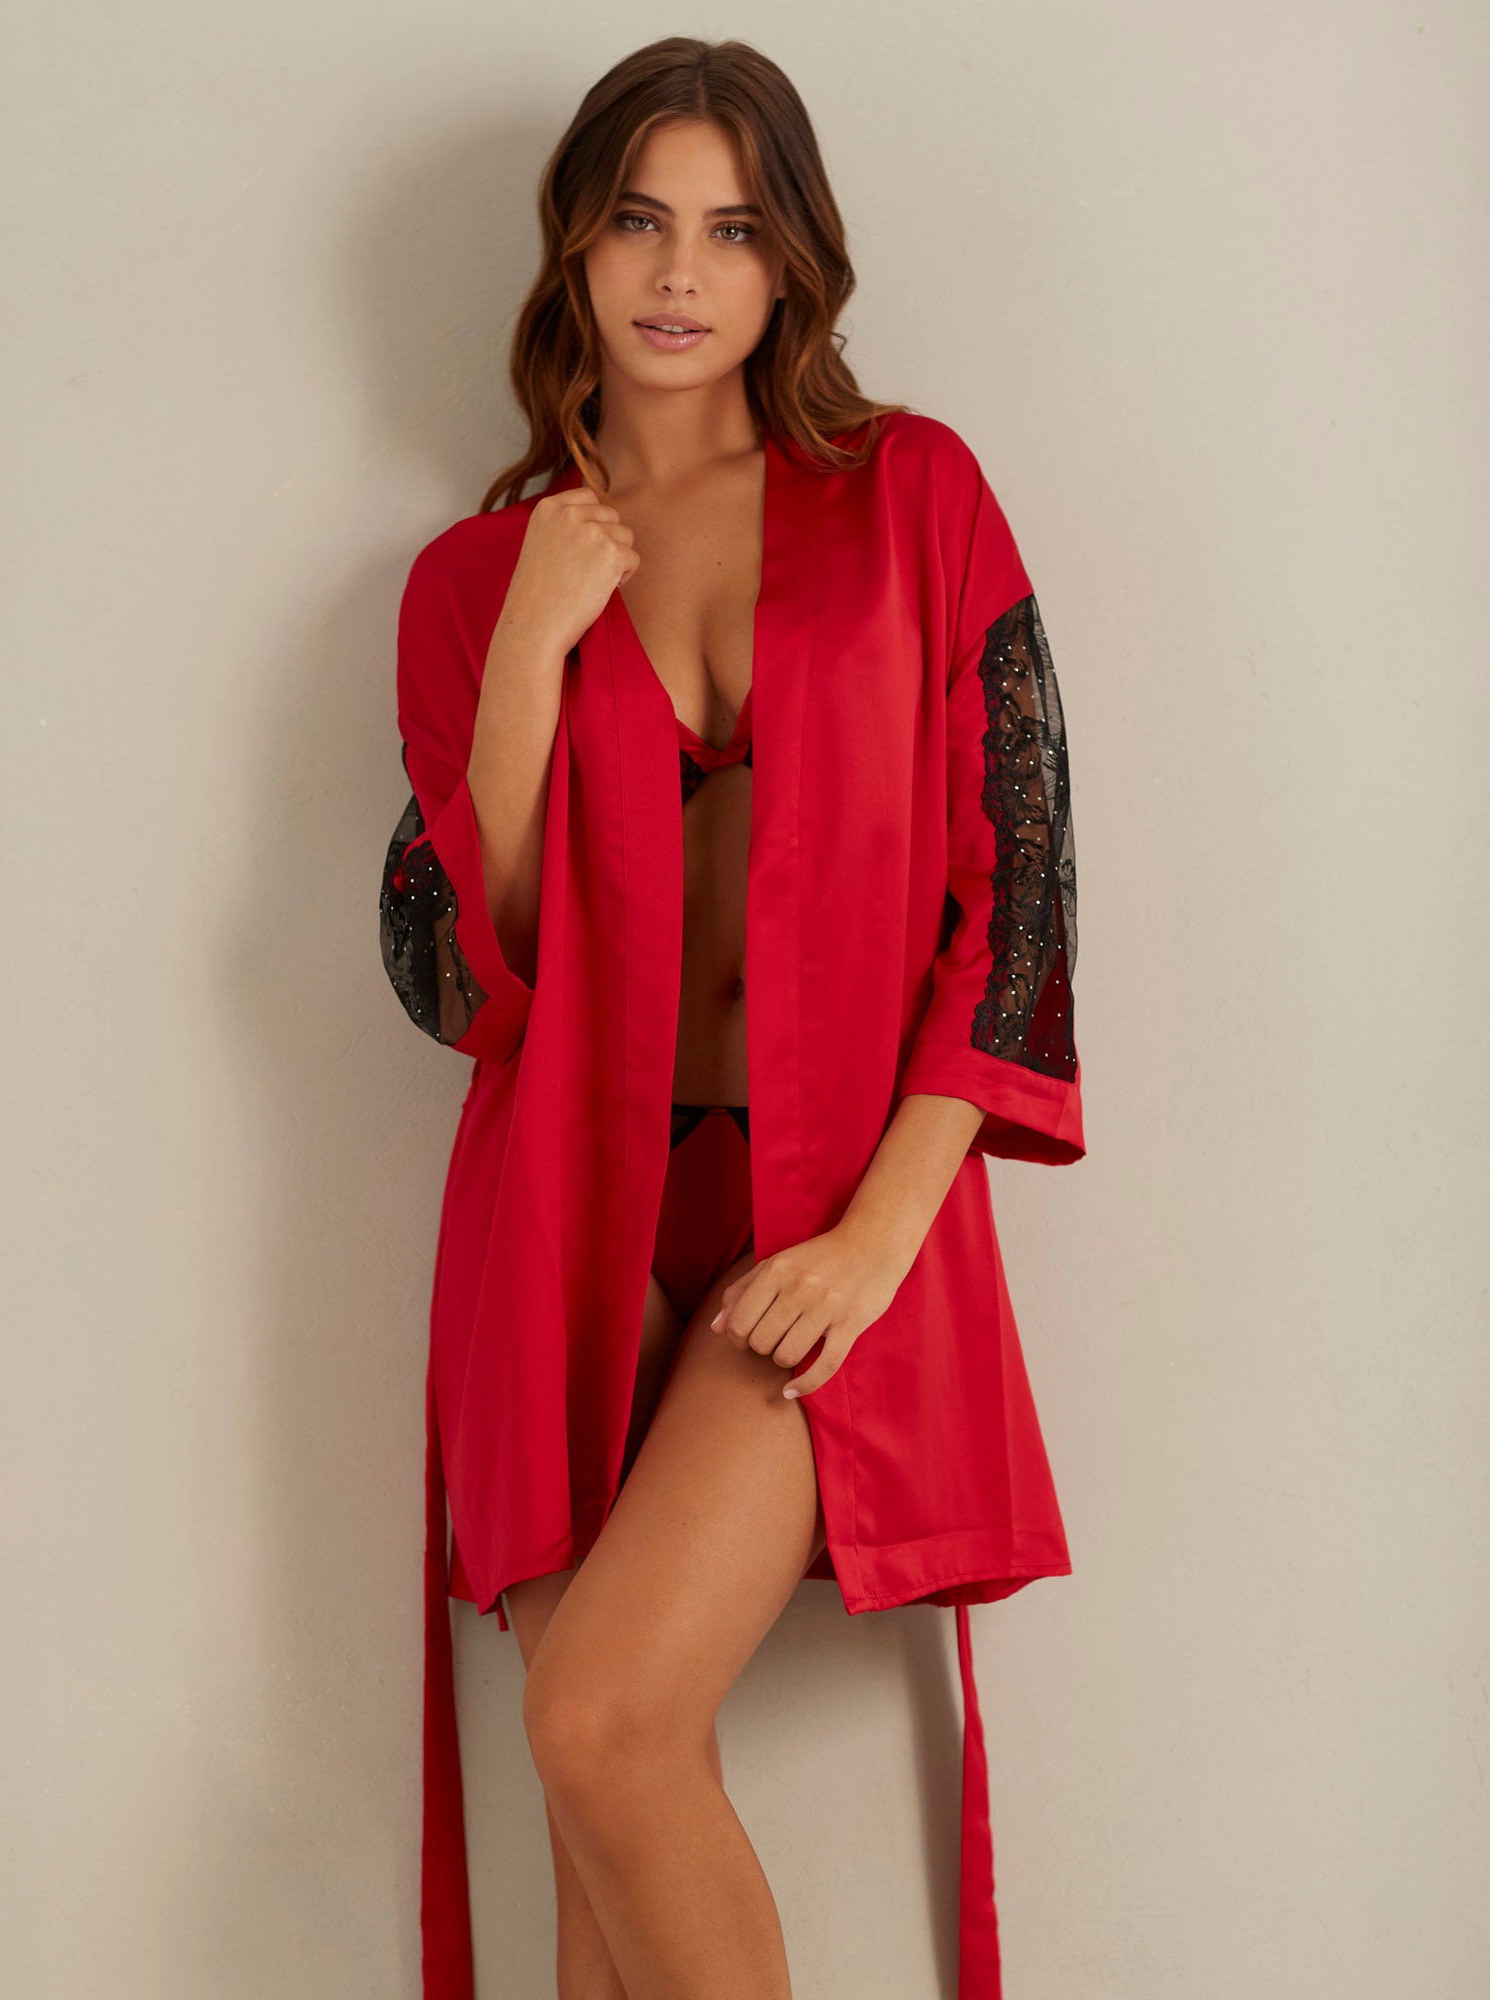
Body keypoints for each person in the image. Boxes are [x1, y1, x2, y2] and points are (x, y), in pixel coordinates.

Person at [378, 35, 1085, 2000]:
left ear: (790, 267)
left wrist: (875, 1239)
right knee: (599, 1808)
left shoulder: (912, 492)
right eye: (638, 219)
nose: (680, 272)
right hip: (560, 1234)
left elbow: (1021, 890)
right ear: (574, 246)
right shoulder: (472, 581)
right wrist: (528, 656)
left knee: (598, 1726)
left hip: (828, 1207)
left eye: (734, 229)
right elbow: (455, 976)